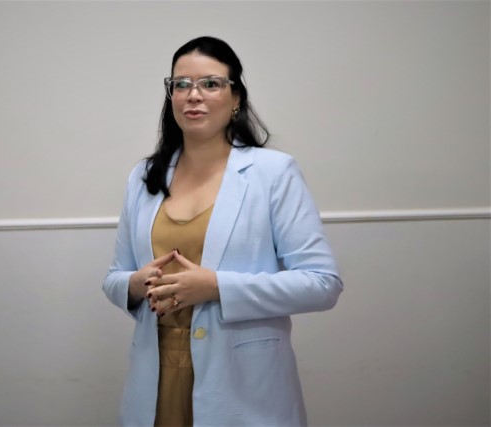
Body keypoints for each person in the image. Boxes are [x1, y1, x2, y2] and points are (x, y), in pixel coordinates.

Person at [103, 35, 343, 427]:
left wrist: (216, 287)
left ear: (236, 99)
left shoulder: (273, 173)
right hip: (157, 375)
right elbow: (115, 277)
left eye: (211, 83)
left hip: (243, 386)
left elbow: (322, 284)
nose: (193, 95)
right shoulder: (145, 176)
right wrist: (134, 283)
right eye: (181, 84)